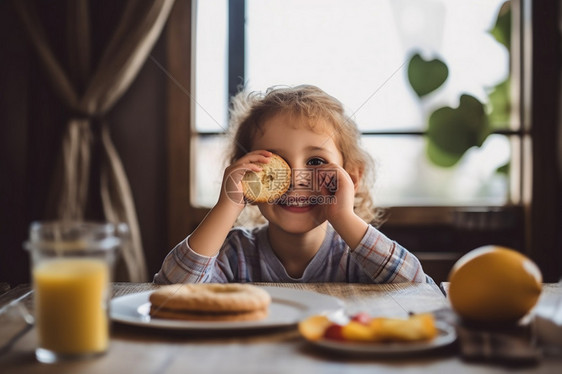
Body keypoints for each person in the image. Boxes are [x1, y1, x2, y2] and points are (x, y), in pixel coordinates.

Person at [154, 85, 434, 285]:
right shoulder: (235, 254)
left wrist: (344, 217)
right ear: (245, 177)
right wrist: (228, 205)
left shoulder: (355, 256)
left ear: (352, 178)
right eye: (276, 161)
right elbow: (172, 289)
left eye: (315, 162)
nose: (297, 179)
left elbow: (417, 288)